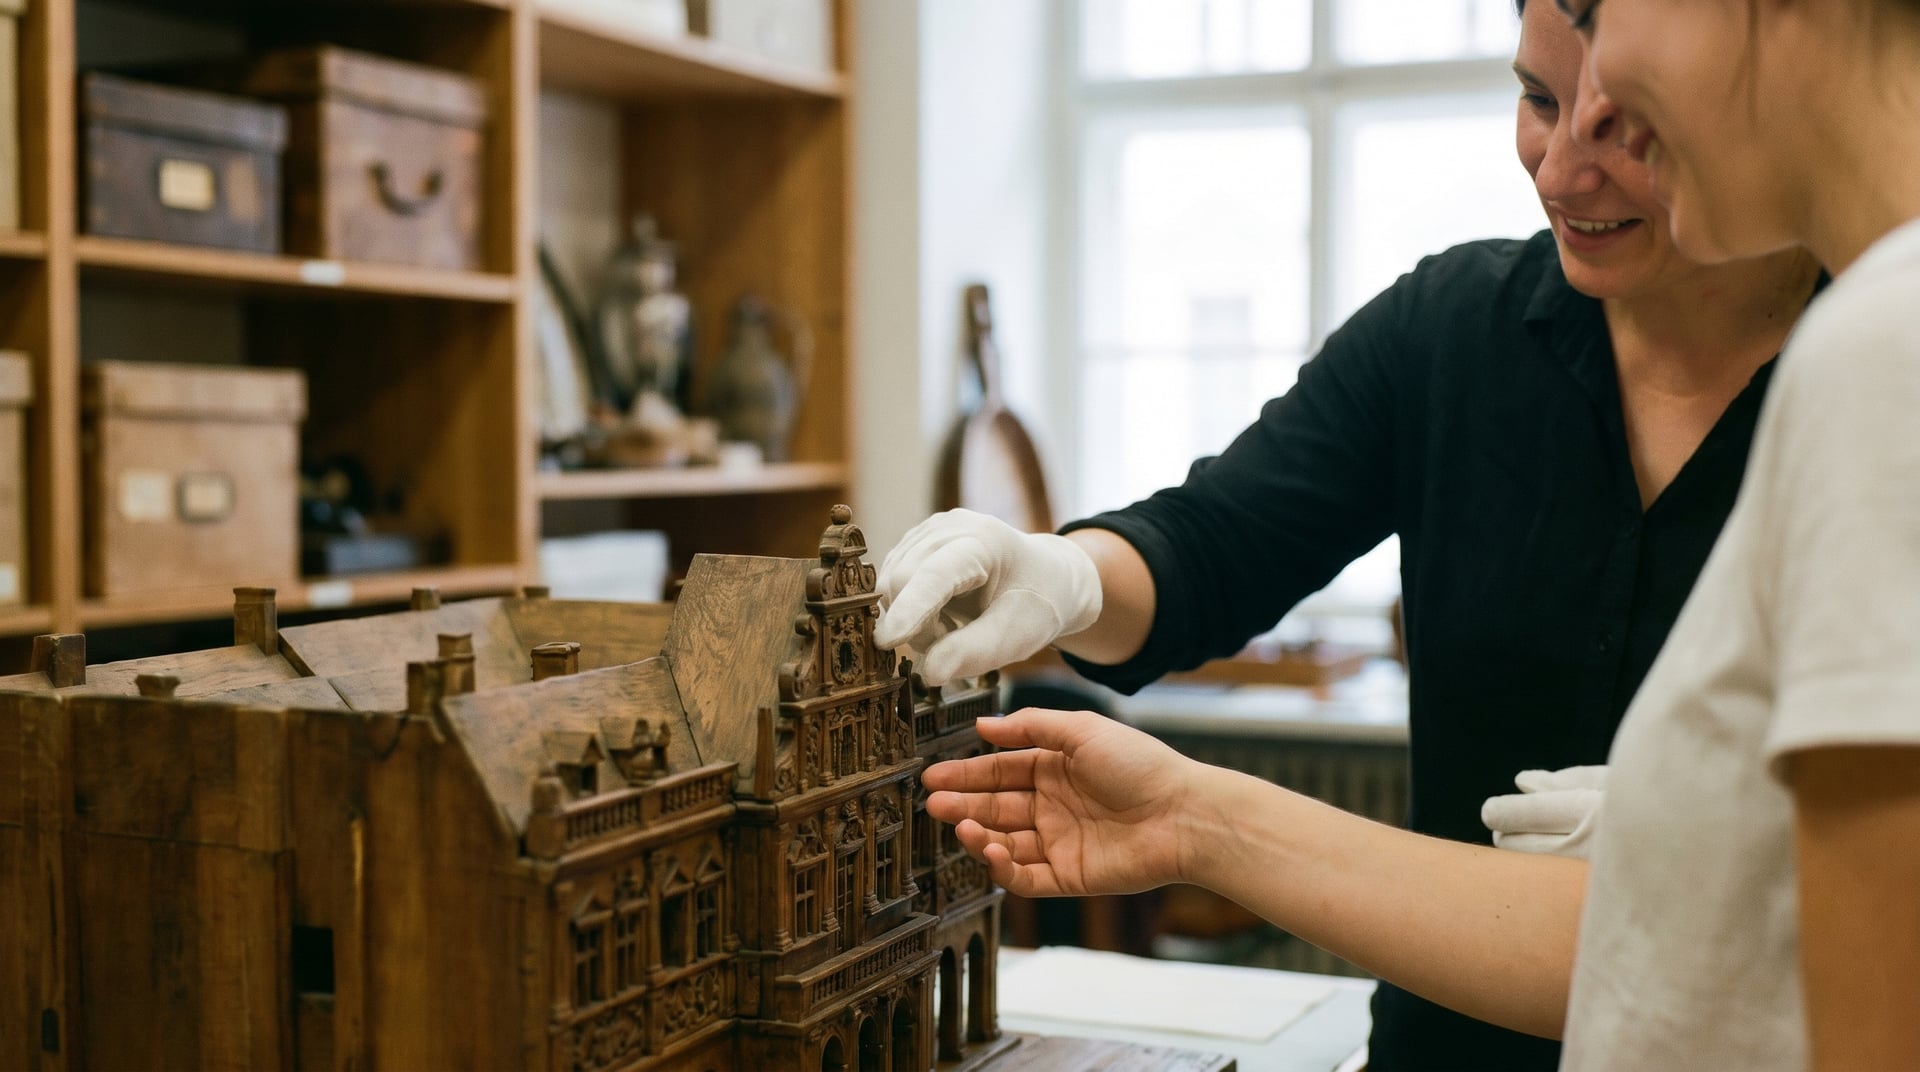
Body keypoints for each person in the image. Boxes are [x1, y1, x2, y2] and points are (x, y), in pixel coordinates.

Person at [919, 0, 1920, 1067]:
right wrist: (1067, 571)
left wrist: (1678, 860)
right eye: (1538, 100)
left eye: (1629, 120)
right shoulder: (1454, 332)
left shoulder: (1873, 358)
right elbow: (1212, 542)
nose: (1563, 169)